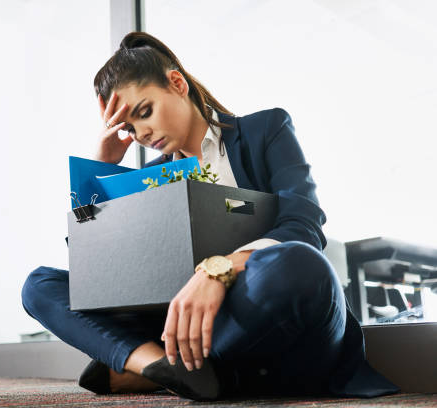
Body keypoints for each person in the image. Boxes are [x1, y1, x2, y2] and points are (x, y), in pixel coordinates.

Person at [21, 32, 399, 401]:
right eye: (131, 128)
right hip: (186, 324)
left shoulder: (265, 130)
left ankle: (147, 364)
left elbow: (304, 225)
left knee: (302, 263)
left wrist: (217, 271)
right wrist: (98, 169)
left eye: (145, 111)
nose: (143, 132)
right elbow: (95, 268)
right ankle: (162, 367)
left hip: (266, 312)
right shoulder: (147, 178)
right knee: (38, 285)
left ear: (176, 83)